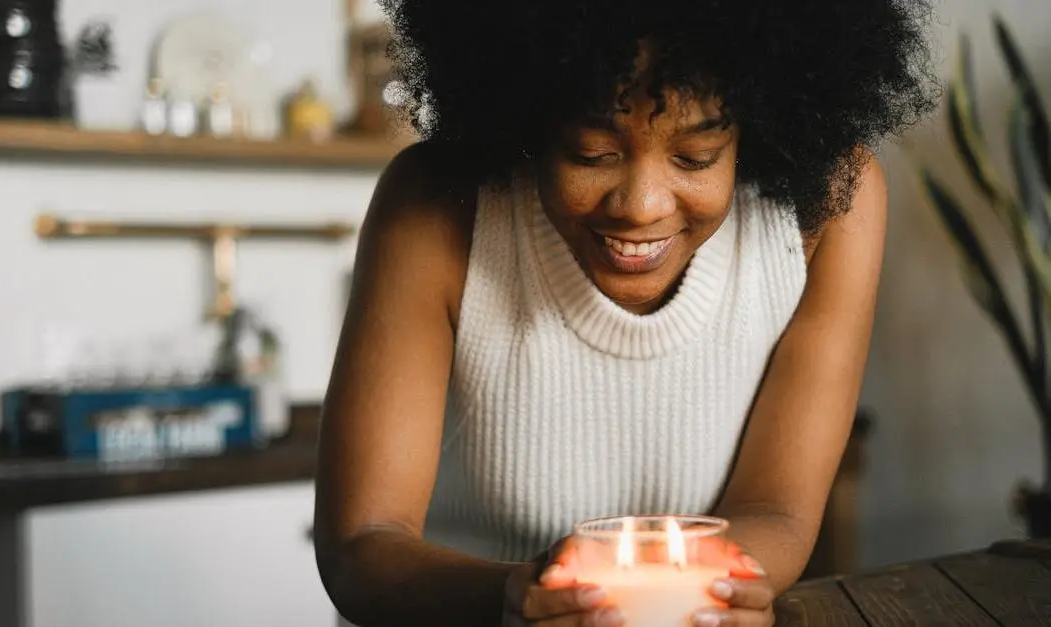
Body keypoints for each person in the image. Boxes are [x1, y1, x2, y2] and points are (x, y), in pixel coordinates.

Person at [314, 1, 937, 625]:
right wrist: (519, 599)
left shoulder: (830, 207)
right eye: (591, 153)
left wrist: (711, 593)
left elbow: (778, 513)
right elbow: (362, 545)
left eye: (695, 157)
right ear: (530, 120)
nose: (641, 207)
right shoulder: (436, 206)